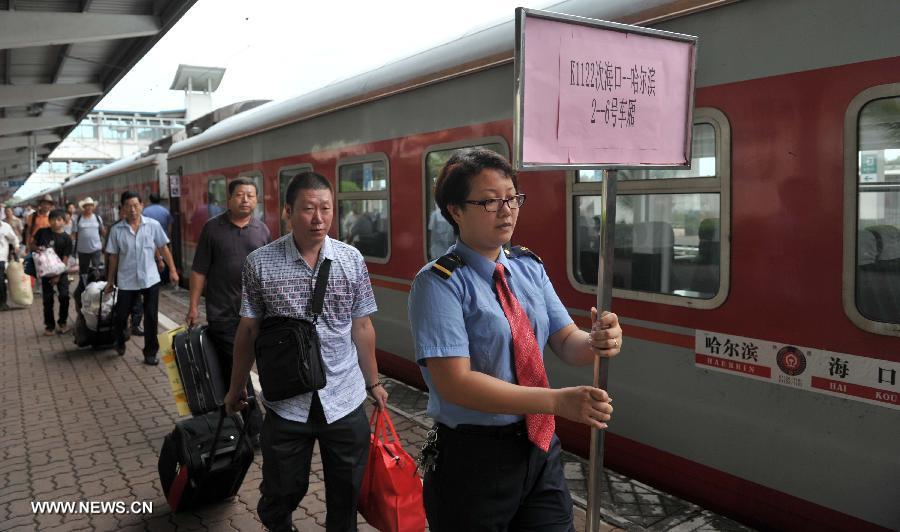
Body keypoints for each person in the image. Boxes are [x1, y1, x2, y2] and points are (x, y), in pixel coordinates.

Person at [407, 148, 623, 531]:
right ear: (455, 210)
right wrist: (556, 401)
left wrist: (597, 341)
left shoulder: (528, 266)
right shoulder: (439, 283)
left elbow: (567, 341)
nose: (506, 210)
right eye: (489, 201)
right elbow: (455, 383)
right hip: (474, 459)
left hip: (539, 451)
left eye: (512, 197)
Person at [224, 171, 388, 532]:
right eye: (309, 209)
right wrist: (237, 388)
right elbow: (249, 329)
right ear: (288, 211)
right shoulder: (260, 263)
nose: (319, 218)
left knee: (346, 497)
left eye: (326, 209)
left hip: (344, 399)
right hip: (287, 403)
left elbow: (362, 326)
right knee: (281, 492)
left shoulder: (351, 260)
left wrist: (373, 382)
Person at [187, 177, 270, 442]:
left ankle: (230, 411)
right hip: (223, 313)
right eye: (240, 195)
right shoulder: (213, 229)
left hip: (257, 313)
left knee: (246, 368)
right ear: (229, 199)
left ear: (256, 200)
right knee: (240, 367)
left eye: (251, 195)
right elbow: (199, 270)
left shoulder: (262, 230)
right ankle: (256, 429)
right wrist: (192, 307)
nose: (245, 199)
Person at [105, 191, 178, 364]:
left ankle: (150, 353)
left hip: (150, 279)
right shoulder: (116, 230)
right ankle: (120, 339)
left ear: (142, 206)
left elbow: (163, 248)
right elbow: (113, 257)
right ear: (122, 208)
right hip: (126, 280)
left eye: (136, 206)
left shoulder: (153, 226)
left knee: (151, 316)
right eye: (128, 206)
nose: (132, 210)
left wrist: (173, 270)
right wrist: (109, 281)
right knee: (122, 315)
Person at [31, 209, 74, 335]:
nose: (56, 222)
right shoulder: (42, 232)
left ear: (64, 222)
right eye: (53, 219)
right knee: (48, 299)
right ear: (49, 220)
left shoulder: (67, 239)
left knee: (64, 296)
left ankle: (63, 322)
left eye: (59, 219)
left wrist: (58, 275)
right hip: (45, 272)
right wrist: (36, 248)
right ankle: (49, 326)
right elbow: (32, 245)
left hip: (61, 272)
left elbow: (65, 260)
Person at [142, 193, 174, 285]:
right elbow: (170, 225)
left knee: (152, 261)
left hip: (150, 240)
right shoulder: (165, 211)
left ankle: (155, 281)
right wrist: (168, 237)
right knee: (165, 258)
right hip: (164, 239)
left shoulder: (145, 211)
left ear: (150, 200)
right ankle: (165, 280)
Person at [72, 197, 106, 275]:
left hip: (96, 249)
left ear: (93, 207)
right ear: (83, 207)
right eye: (87, 205)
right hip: (82, 250)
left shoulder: (97, 218)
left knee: (96, 270)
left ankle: (95, 285)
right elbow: (74, 234)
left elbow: (103, 231)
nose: (89, 207)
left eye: (91, 205)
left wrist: (108, 241)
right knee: (83, 271)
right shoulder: (78, 219)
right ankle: (84, 285)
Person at [0, 215, 21, 311]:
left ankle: (2, 302)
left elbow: (14, 238)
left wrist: (16, 246)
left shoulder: (5, 226)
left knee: (0, 280)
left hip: (1, 257)